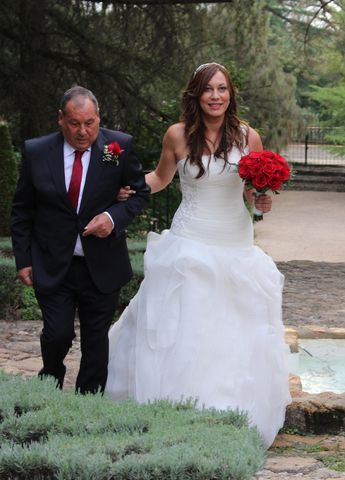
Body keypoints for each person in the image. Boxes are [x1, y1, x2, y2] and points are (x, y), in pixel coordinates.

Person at [105, 62, 291, 447]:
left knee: (233, 328)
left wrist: (262, 200)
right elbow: (159, 178)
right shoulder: (177, 135)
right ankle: (179, 411)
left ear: (230, 94)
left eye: (222, 89)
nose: (216, 96)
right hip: (189, 240)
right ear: (196, 94)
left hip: (235, 241)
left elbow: (251, 193)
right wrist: (128, 187)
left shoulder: (247, 137)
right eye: (209, 89)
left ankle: (229, 412)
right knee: (186, 325)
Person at [11, 86, 150, 394]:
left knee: (96, 341)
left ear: (98, 118)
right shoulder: (37, 151)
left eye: (89, 123)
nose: (83, 131)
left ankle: (87, 405)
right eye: (75, 123)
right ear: (61, 119)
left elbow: (139, 193)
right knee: (57, 335)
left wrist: (112, 218)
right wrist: (23, 259)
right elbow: (22, 209)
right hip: (52, 262)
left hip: (102, 263)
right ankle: (49, 386)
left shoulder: (117, 146)